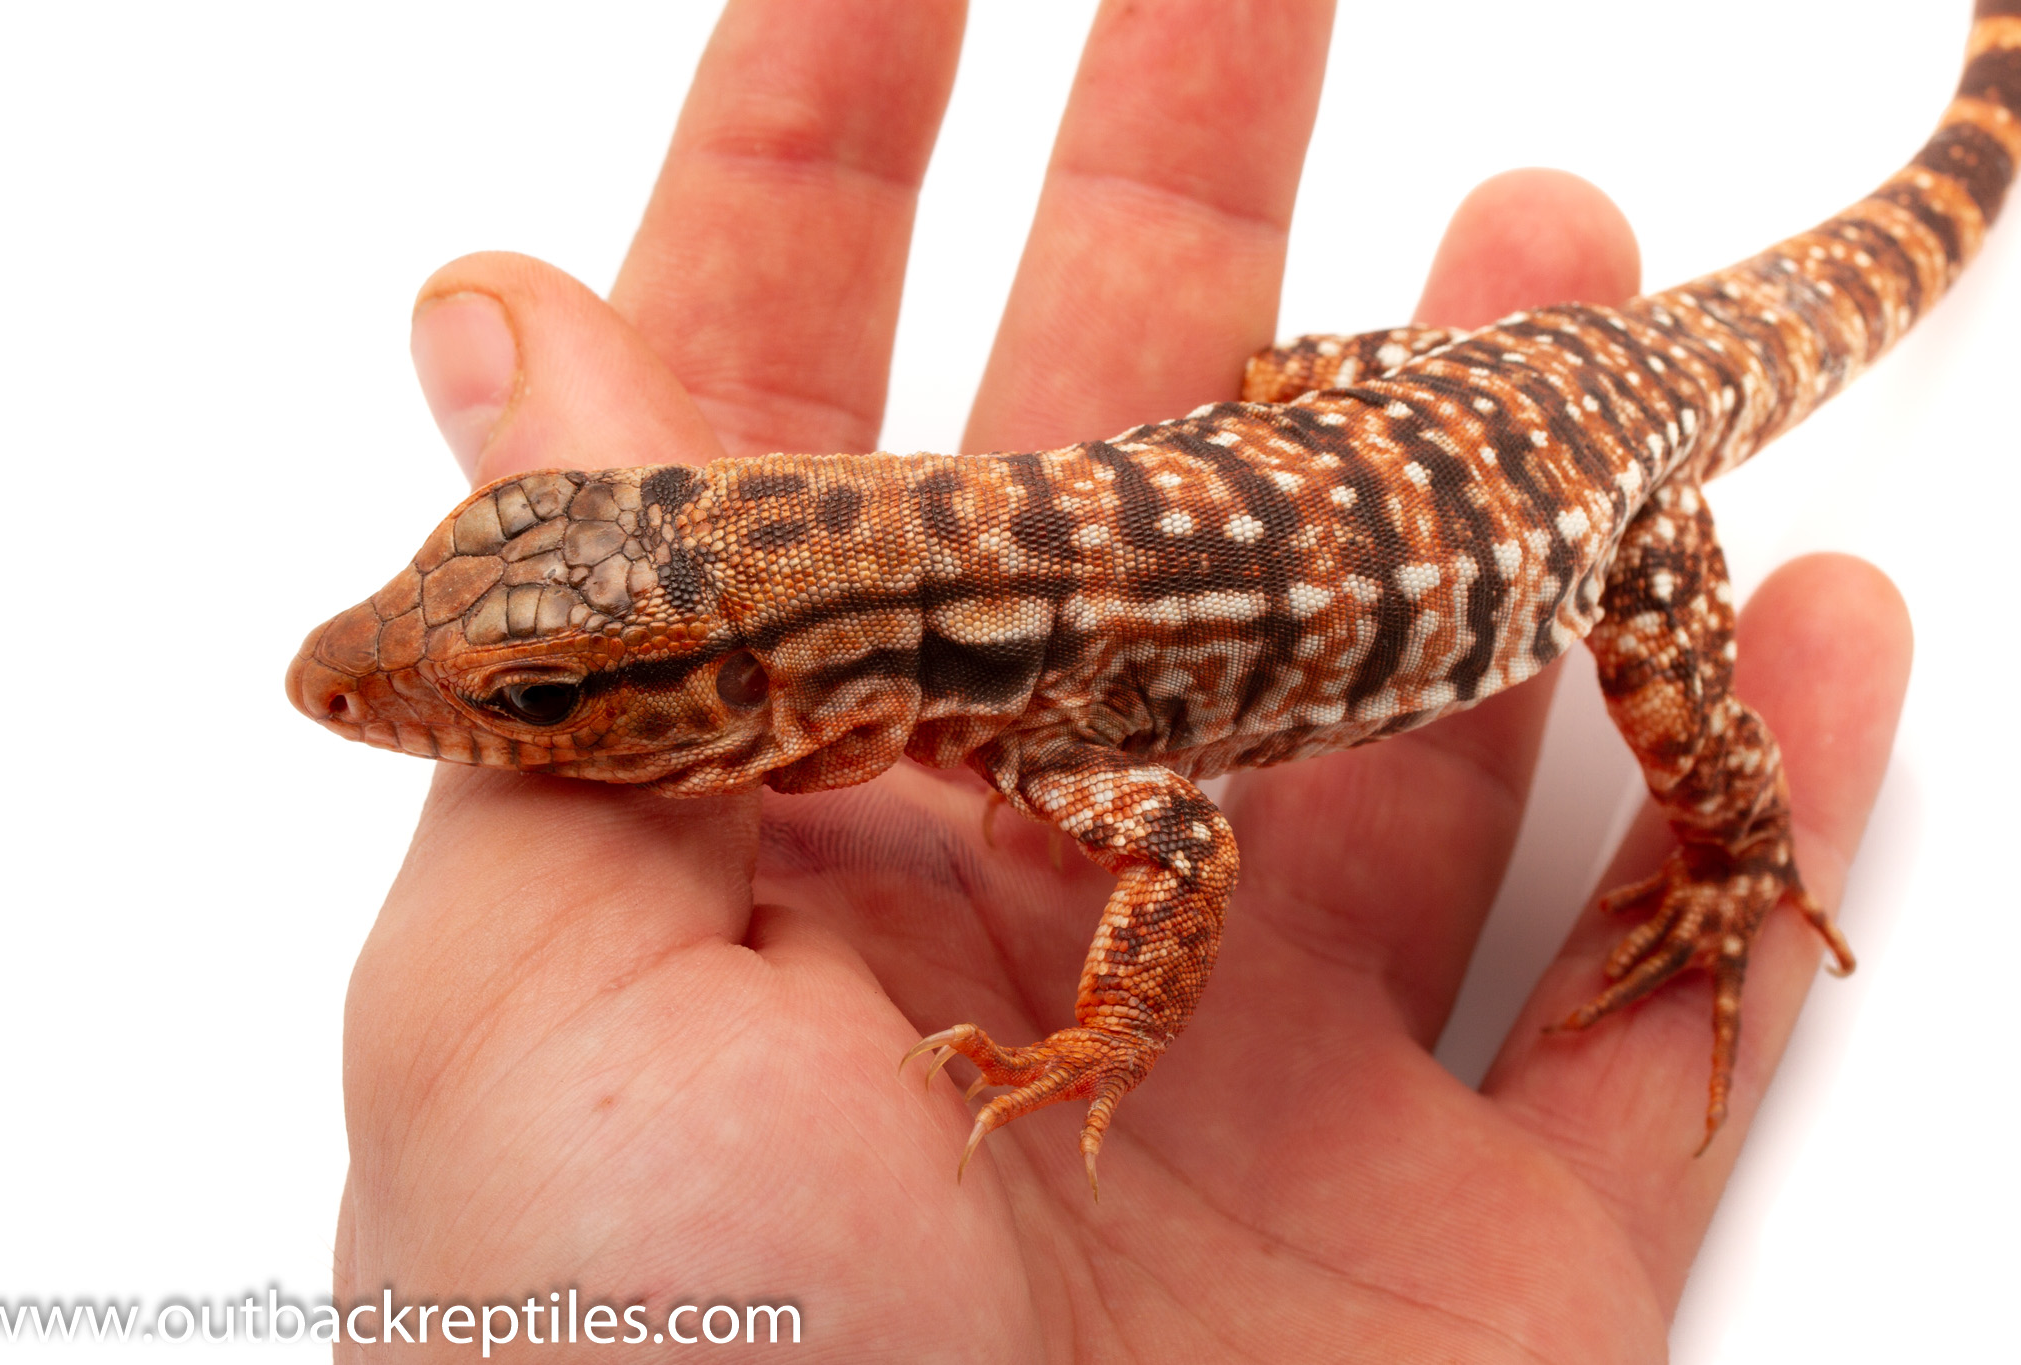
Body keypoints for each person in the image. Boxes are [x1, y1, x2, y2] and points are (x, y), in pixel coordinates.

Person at [339, 1, 1911, 1357]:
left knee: (1674, 714)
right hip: (1471, 396)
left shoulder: (1029, 715)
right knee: (1290, 396)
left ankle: (1744, 857)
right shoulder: (965, 594)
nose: (352, 693)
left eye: (532, 696)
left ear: (756, 684)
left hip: (1605, 485)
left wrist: (1110, 1039)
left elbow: (1188, 846)